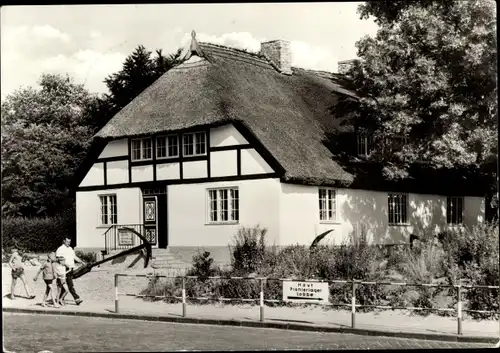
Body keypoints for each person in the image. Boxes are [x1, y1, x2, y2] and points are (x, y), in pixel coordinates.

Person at [55, 237, 86, 305]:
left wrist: (82, 262)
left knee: (65, 284)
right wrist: (66, 265)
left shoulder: (70, 248)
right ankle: (76, 298)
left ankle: (60, 298)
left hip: (71, 269)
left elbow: (74, 257)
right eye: (67, 242)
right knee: (70, 284)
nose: (68, 243)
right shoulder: (60, 249)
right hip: (64, 269)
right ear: (64, 241)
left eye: (69, 242)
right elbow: (58, 259)